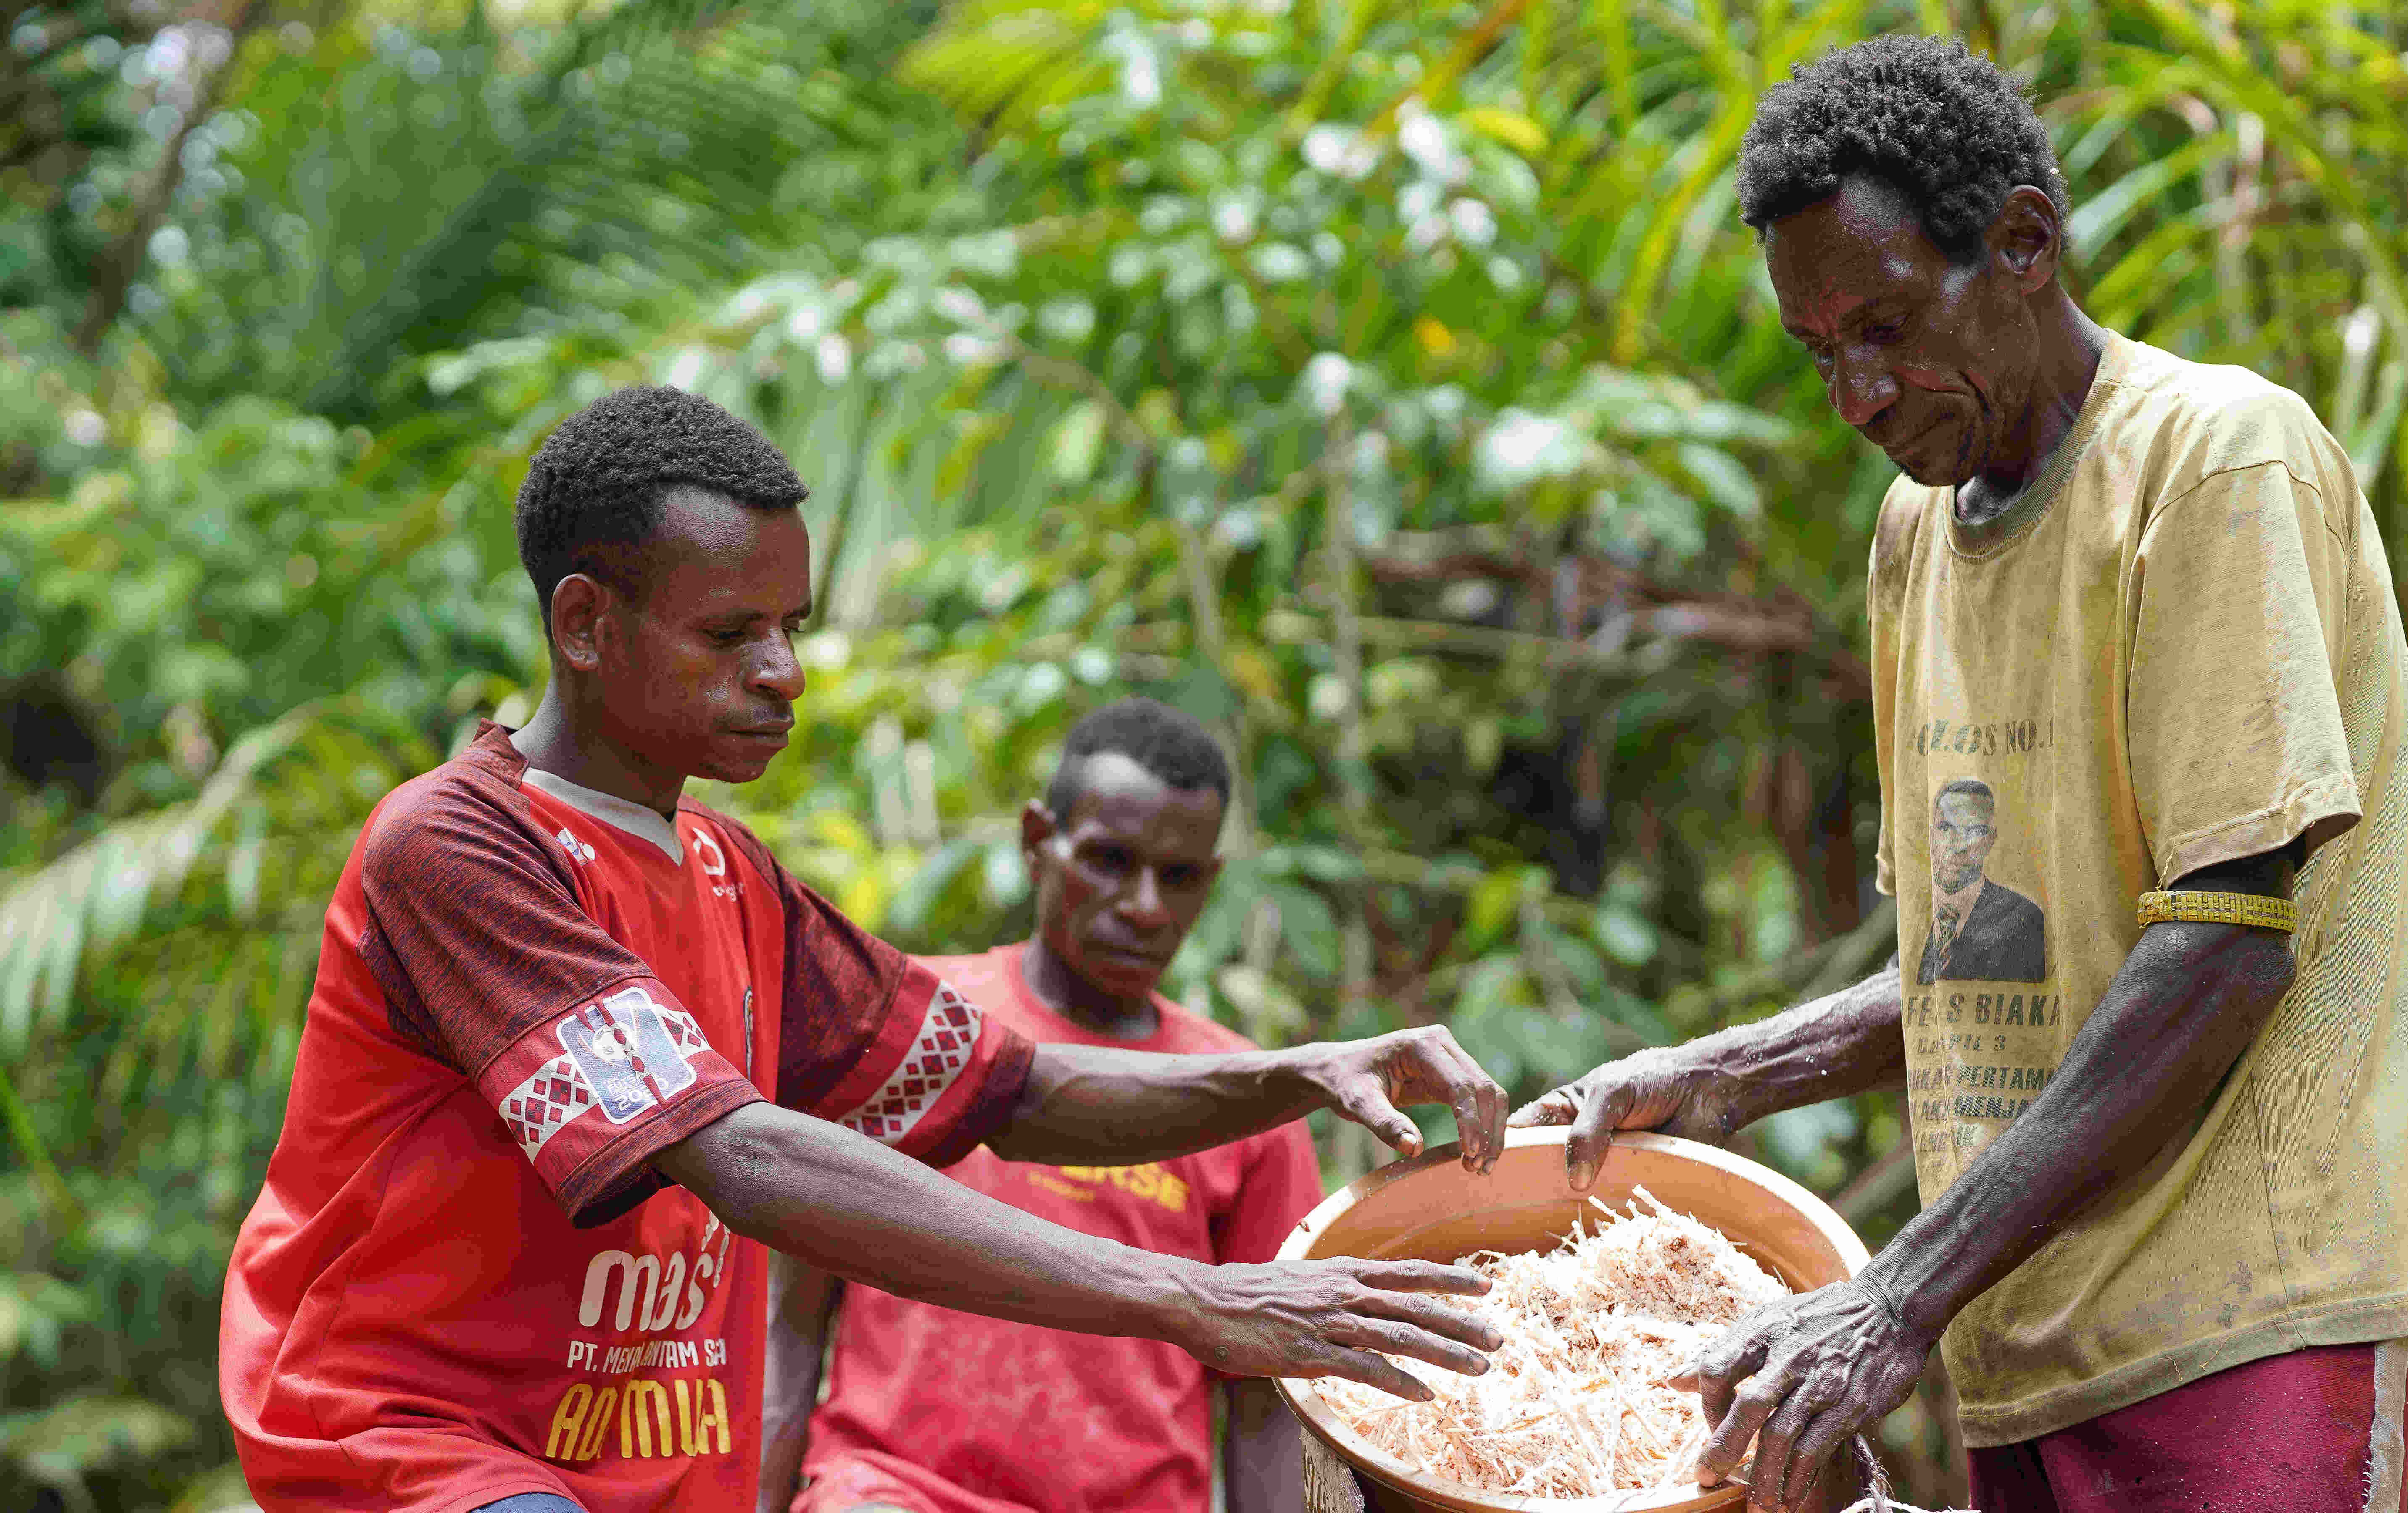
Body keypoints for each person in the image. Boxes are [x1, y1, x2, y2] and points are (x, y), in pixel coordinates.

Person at [219, 386, 1514, 1513]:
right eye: (732, 635)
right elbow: (736, 1154)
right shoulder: (456, 845)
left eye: (794, 627)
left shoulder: (735, 879)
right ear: (583, 624)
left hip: (646, 1468)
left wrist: (1305, 1071)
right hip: (420, 1448)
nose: (784, 672)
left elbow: (1022, 1091)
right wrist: (1187, 1297)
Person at [1512, 36, 2408, 1513]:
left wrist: (1892, 1297)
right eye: (1817, 351)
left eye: (1885, 326)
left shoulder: (2210, 459)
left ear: (2024, 243)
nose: (1855, 393)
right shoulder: (1915, 540)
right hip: (2027, 1331)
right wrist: (1716, 1076)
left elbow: (2220, 953)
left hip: (2250, 1312)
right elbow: (1982, 961)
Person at [761, 699, 1323, 1513]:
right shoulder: (915, 1021)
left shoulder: (1245, 1094)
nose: (1144, 906)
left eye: (1180, 876)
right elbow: (793, 1312)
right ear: (1036, 842)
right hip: (895, 1492)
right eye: (1109, 859)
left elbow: (1261, 1398)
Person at [1916, 779, 2043, 984]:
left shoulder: (2024, 918)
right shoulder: (1912, 914)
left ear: (1991, 840)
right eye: (1946, 828)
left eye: (1974, 832)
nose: (1958, 846)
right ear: (1931, 836)